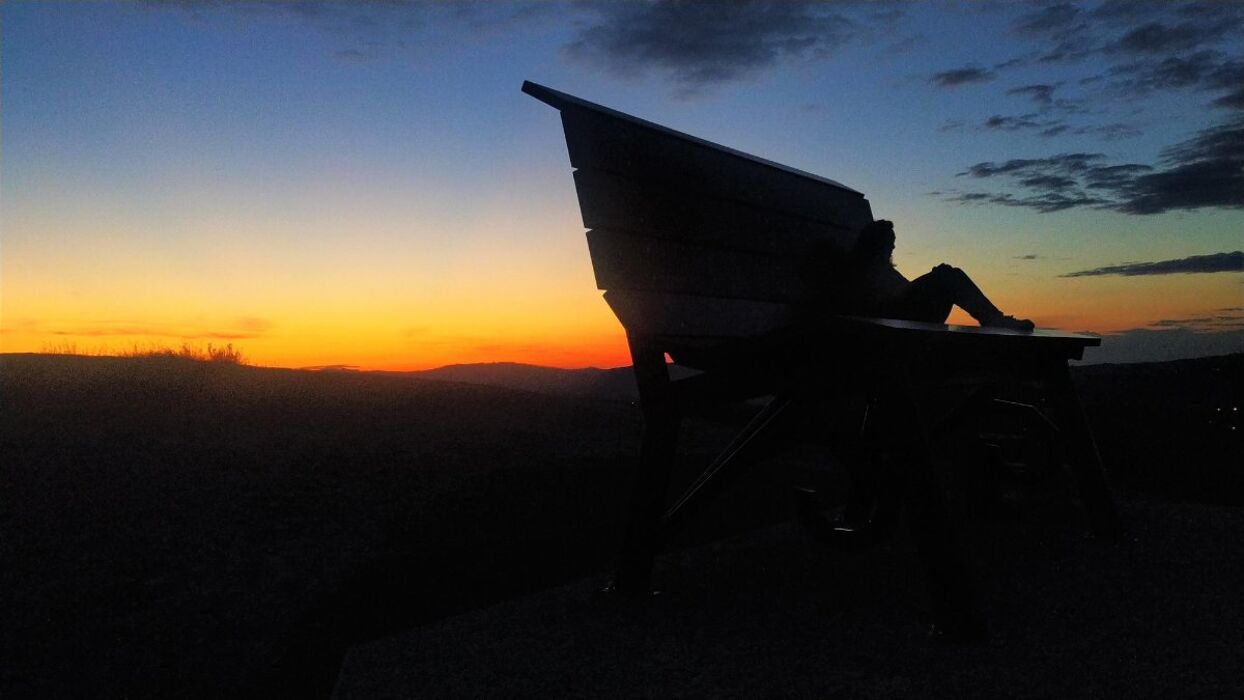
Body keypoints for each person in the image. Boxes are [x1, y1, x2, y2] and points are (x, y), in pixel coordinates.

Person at [838, 219, 1035, 331]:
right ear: (874, 242)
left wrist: (923, 284)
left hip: (906, 316)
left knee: (948, 274)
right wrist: (928, 281)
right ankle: (993, 319)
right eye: (889, 241)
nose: (893, 246)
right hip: (889, 323)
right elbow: (877, 302)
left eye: (893, 241)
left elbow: (904, 290)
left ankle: (993, 317)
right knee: (945, 274)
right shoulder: (860, 270)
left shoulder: (886, 270)